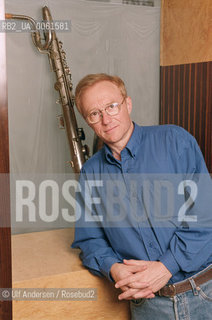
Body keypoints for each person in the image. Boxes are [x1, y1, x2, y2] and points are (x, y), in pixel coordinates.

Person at [71, 73, 212, 320]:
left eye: (111, 106)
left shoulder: (175, 141)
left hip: (203, 294)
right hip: (148, 307)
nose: (106, 119)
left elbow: (205, 213)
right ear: (88, 121)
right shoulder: (91, 173)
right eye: (94, 114)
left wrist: (167, 265)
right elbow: (90, 238)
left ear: (128, 104)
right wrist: (113, 268)